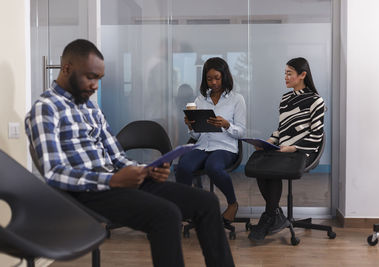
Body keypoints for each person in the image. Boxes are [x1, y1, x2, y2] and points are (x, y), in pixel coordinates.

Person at [25, 39, 235, 267]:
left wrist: (145, 171)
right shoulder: (45, 108)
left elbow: (117, 156)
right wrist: (113, 179)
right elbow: (53, 172)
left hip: (116, 182)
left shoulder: (90, 108)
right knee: (166, 215)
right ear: (66, 69)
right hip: (85, 191)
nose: (95, 85)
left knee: (207, 202)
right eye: (90, 77)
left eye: (99, 79)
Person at [248, 57, 325, 241]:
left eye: (289, 73)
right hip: (282, 148)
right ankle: (274, 214)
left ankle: (269, 217)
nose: (286, 77)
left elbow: (317, 135)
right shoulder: (285, 99)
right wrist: (268, 140)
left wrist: (293, 147)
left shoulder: (316, 101)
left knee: (272, 169)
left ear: (302, 75)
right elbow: (282, 129)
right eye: (285, 73)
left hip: (303, 151)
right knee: (259, 165)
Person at [175, 57, 246, 223]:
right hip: (202, 146)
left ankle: (232, 203)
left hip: (225, 147)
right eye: (209, 79)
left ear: (224, 77)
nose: (213, 82)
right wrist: (192, 126)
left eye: (217, 78)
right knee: (183, 166)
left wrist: (227, 125)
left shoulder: (237, 99)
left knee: (213, 167)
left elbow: (241, 132)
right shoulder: (200, 100)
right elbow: (197, 136)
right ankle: (187, 208)